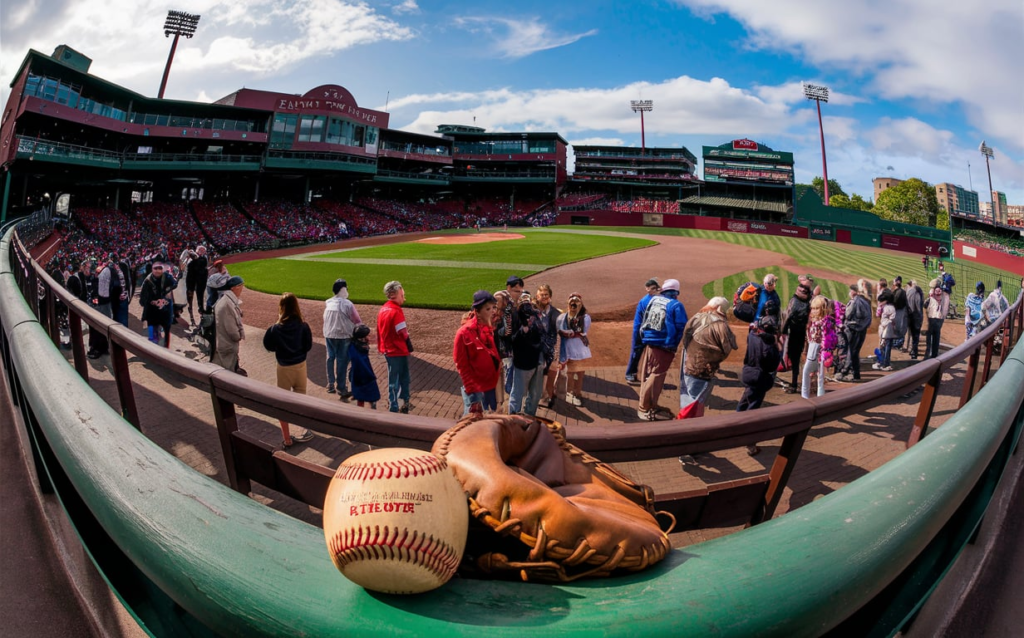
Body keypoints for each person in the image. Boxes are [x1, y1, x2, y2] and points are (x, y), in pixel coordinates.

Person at [263, 293, 314, 447]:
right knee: (301, 401)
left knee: (283, 403)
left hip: (284, 367)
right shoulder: (303, 326)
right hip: (300, 365)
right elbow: (308, 346)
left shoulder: (276, 328)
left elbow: (268, 345)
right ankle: (302, 431)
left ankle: (287, 438)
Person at [636, 279, 688, 421]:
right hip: (664, 346)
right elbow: (681, 326)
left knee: (649, 374)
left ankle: (649, 404)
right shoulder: (676, 305)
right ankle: (644, 408)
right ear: (676, 292)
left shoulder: (653, 300)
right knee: (656, 375)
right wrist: (674, 345)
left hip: (649, 343)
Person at [677, 296, 736, 419]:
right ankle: (689, 425)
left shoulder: (695, 317)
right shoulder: (721, 325)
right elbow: (727, 348)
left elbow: (685, 339)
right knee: (696, 399)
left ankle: (685, 419)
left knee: (687, 393)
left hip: (687, 362)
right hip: (704, 367)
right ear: (720, 309)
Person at [736, 315, 782, 454]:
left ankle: (733, 428)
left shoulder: (752, 335)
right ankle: (750, 444)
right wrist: (777, 346)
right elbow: (773, 365)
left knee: (744, 402)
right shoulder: (769, 347)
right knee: (753, 410)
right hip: (759, 377)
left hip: (748, 373)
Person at [453, 290, 501, 415]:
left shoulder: (487, 328)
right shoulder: (464, 333)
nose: (492, 311)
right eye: (488, 309)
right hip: (475, 389)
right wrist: (471, 391)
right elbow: (461, 364)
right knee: (470, 421)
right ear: (477, 311)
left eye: (493, 308)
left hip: (488, 385)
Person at [377, 280, 413, 413]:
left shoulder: (384, 308)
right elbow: (402, 332)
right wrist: (409, 345)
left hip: (389, 349)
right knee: (399, 379)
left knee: (397, 378)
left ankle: (399, 402)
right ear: (394, 294)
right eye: (401, 294)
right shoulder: (396, 311)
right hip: (396, 350)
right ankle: (396, 404)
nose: (404, 296)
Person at [323, 278, 362, 398]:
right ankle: (341, 388)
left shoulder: (328, 302)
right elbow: (357, 321)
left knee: (330, 358)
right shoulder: (347, 304)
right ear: (343, 289)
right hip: (343, 336)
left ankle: (330, 384)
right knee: (342, 361)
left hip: (329, 334)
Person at [557, 292, 593, 407]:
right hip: (568, 348)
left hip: (580, 349)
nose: (574, 304)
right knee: (570, 373)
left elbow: (580, 330)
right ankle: (570, 393)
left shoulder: (586, 317)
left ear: (581, 304)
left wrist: (570, 332)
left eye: (577, 302)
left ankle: (577, 393)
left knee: (580, 373)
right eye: (572, 302)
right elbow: (561, 330)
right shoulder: (563, 317)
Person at [626, 278, 661, 385]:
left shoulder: (655, 299)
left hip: (647, 330)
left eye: (656, 288)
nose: (655, 290)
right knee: (636, 352)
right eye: (652, 289)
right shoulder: (646, 301)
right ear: (647, 289)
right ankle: (630, 375)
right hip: (640, 331)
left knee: (651, 354)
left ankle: (647, 375)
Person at [532, 284, 561, 409]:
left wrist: (556, 352)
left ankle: (545, 397)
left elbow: (559, 335)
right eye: (541, 295)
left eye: (546, 295)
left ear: (550, 297)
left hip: (549, 349)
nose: (544, 297)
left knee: (548, 372)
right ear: (537, 296)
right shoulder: (532, 311)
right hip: (535, 348)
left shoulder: (555, 314)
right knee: (537, 372)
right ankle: (538, 396)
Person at [780, 284, 812, 394]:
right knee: (796, 359)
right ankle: (796, 382)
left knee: (793, 359)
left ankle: (794, 385)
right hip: (802, 333)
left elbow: (788, 316)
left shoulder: (795, 301)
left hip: (793, 333)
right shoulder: (808, 302)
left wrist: (782, 331)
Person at [837, 282, 872, 381]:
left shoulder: (854, 301)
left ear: (854, 291)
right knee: (855, 352)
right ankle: (856, 374)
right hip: (862, 329)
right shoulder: (866, 301)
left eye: (850, 290)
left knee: (851, 351)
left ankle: (847, 372)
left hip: (853, 329)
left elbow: (847, 315)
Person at [801, 296, 835, 399]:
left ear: (822, 309)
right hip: (818, 349)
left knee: (810, 373)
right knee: (817, 375)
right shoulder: (823, 321)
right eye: (813, 308)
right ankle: (814, 397)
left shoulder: (823, 322)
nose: (814, 311)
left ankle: (807, 397)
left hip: (817, 348)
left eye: (817, 308)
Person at [212, 275, 245, 372]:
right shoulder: (227, 304)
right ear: (234, 288)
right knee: (228, 373)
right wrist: (238, 336)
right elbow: (231, 328)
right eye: (241, 285)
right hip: (227, 346)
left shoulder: (227, 300)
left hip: (226, 344)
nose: (242, 288)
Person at [139, 262, 176, 348]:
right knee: (151, 326)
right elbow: (143, 296)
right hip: (152, 308)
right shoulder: (148, 280)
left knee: (167, 328)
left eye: (159, 269)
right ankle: (152, 343)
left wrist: (167, 291)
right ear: (152, 270)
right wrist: (152, 302)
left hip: (165, 308)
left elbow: (175, 284)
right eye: (155, 269)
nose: (157, 271)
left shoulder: (168, 277)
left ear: (162, 270)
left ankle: (166, 347)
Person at [349, 325, 379, 409]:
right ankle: (371, 403)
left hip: (357, 373)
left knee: (360, 394)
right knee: (370, 392)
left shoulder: (353, 346)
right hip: (366, 373)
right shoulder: (363, 347)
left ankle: (360, 406)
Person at [923, 278, 949, 360]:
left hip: (932, 318)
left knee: (930, 337)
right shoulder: (944, 295)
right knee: (936, 336)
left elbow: (925, 305)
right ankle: (934, 354)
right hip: (939, 318)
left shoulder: (932, 295)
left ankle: (928, 355)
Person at [873, 289, 896, 371]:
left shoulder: (888, 308)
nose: (879, 303)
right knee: (885, 347)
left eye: (880, 301)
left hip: (887, 329)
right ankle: (884, 363)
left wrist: (885, 325)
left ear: (885, 301)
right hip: (886, 328)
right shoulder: (888, 307)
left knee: (885, 347)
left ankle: (884, 363)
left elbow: (891, 320)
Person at [185, 245, 209, 322]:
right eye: (200, 250)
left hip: (200, 279)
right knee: (190, 293)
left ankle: (200, 308)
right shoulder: (190, 258)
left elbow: (202, 266)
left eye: (203, 250)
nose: (202, 251)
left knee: (200, 294)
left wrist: (196, 258)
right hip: (191, 278)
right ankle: (190, 307)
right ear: (197, 250)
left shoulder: (204, 258)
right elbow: (189, 266)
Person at [905, 279, 924, 360]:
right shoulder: (918, 292)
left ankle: (910, 349)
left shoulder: (908, 292)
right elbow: (919, 306)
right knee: (915, 335)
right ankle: (914, 352)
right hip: (916, 316)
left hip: (909, 315)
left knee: (909, 332)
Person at [891, 276, 908, 351]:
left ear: (898, 282)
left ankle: (897, 344)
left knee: (897, 327)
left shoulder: (900, 292)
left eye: (894, 281)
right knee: (896, 327)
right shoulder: (899, 291)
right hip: (898, 310)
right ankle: (896, 343)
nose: (893, 282)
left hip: (899, 311)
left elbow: (896, 302)